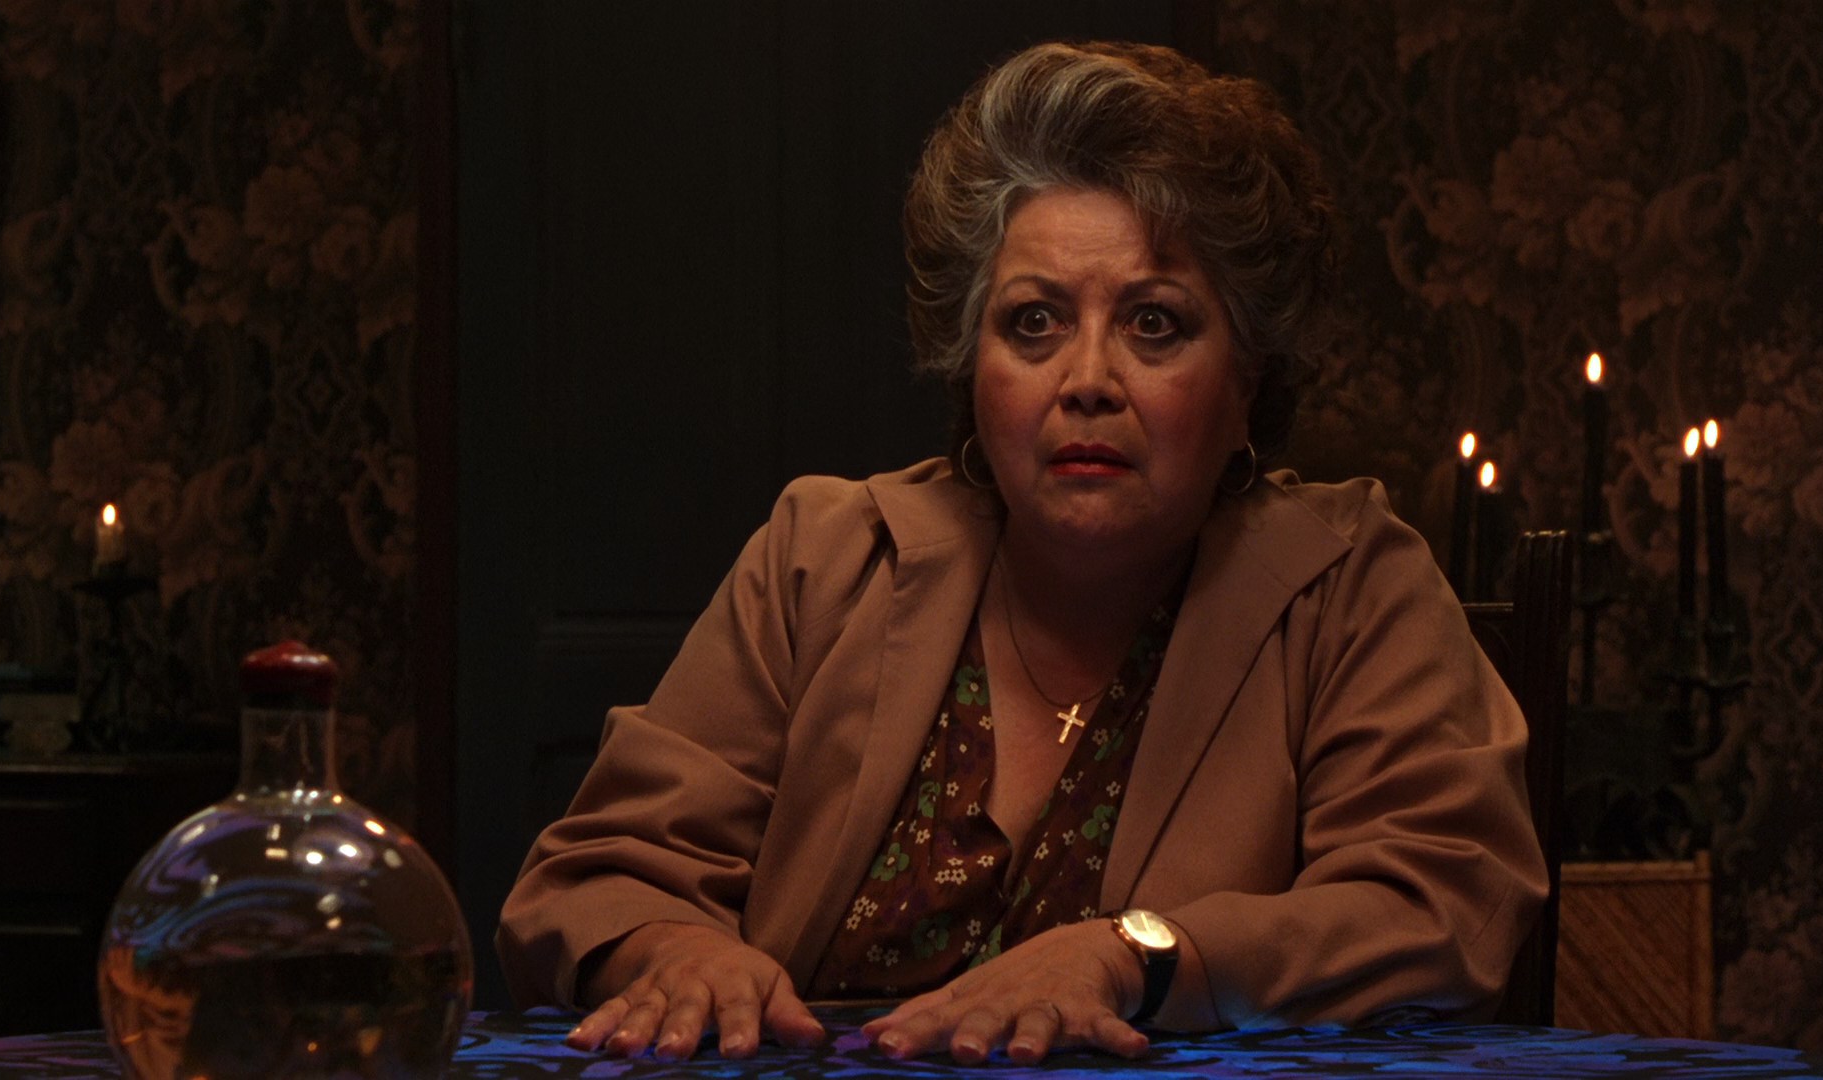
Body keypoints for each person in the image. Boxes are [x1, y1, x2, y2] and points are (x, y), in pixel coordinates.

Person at [496, 39, 1546, 1065]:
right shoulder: (826, 558)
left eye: (1155, 324)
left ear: (1247, 384)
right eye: (1034, 322)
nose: (1086, 380)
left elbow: (1443, 903)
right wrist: (676, 953)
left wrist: (1136, 956)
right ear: (973, 366)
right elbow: (595, 877)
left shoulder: (1349, 584)